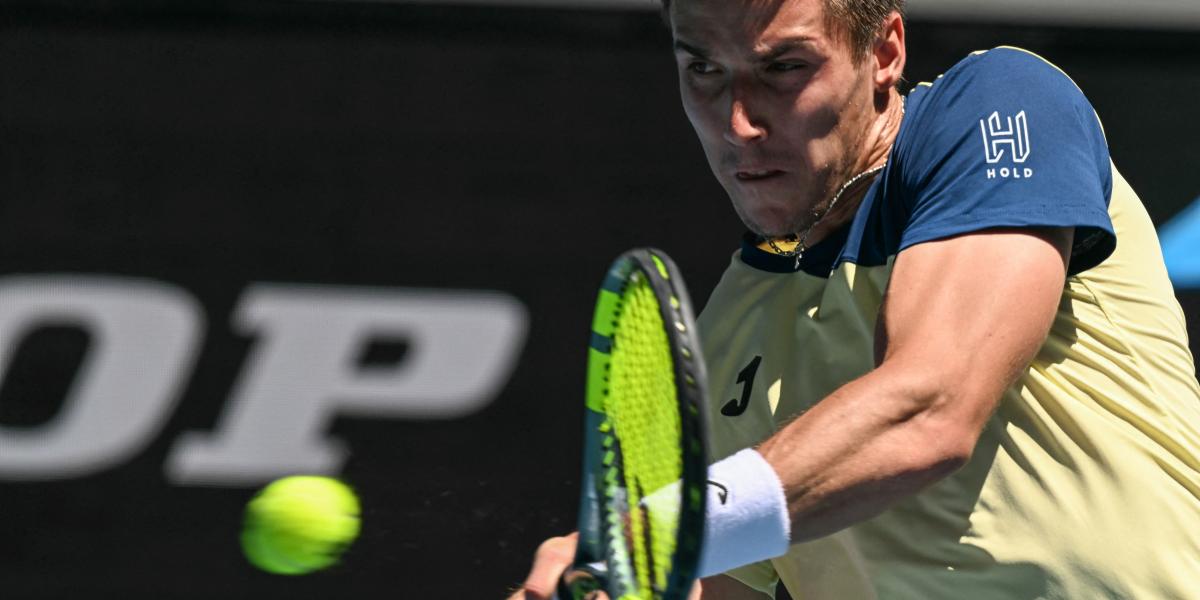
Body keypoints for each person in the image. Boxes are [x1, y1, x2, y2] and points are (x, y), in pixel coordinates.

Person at [510, 0, 1200, 597]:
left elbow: (929, 408)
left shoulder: (999, 102)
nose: (738, 122)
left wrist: (651, 536)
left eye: (784, 67)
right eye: (704, 69)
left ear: (884, 52)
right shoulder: (728, 331)